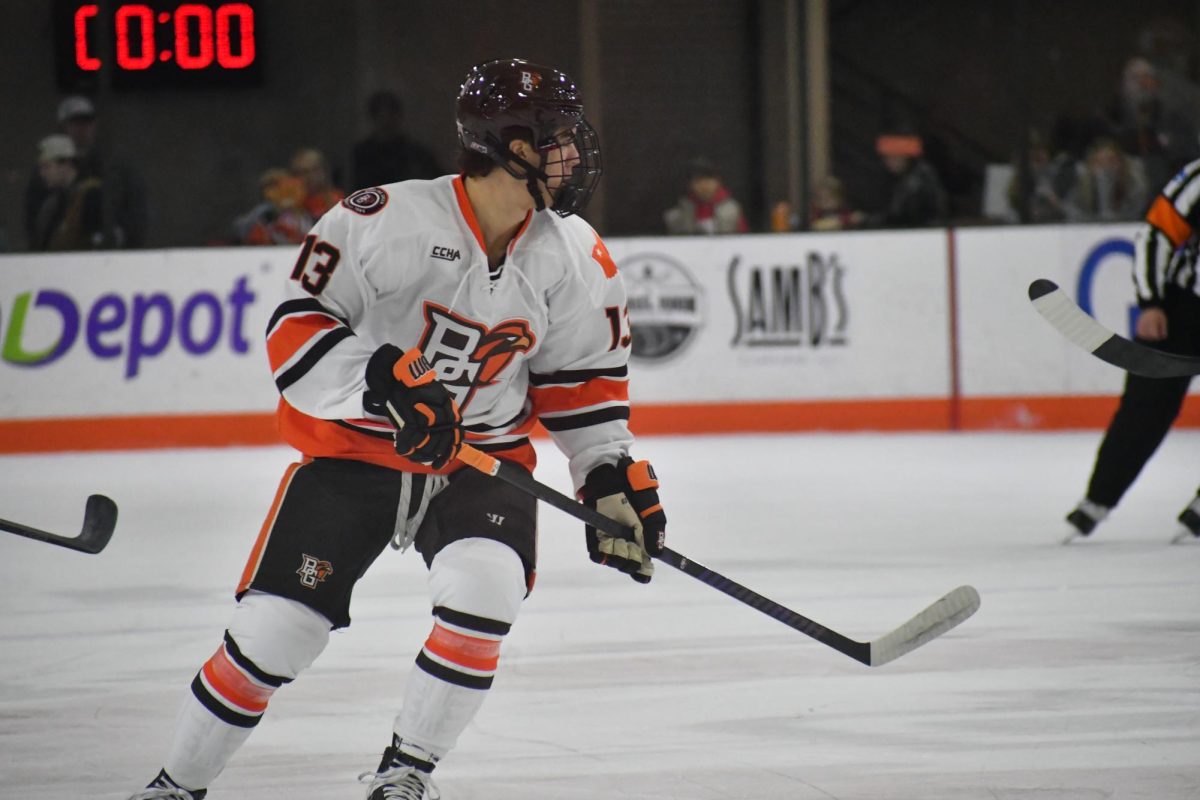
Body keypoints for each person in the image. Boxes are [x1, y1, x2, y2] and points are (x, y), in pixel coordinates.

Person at [126, 57, 668, 800]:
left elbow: (583, 385)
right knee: (279, 631)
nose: (573, 155)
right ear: (510, 145)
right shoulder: (381, 219)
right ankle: (173, 786)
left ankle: (406, 773)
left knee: (487, 593)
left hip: (481, 458)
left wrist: (605, 473)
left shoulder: (575, 253)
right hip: (356, 451)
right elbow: (296, 332)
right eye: (557, 138)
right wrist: (382, 383)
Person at [1064, 157, 1200, 541]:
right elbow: (1157, 232)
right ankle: (1097, 500)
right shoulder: (1197, 179)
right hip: (1186, 307)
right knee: (1146, 404)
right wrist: (1152, 301)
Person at [24, 95, 149, 249]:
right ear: (62, 126)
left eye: (86, 122)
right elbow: (35, 224)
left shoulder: (111, 170)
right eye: (74, 123)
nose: (81, 129)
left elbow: (133, 216)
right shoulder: (48, 188)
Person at [351, 90, 445, 190]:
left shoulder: (416, 154)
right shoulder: (362, 154)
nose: (385, 122)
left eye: (390, 115)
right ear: (373, 118)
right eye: (381, 116)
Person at [28, 133, 105, 251]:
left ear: (66, 164)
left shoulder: (91, 195)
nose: (42, 173)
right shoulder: (55, 202)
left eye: (47, 166)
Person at [865, 133, 947, 228]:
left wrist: (874, 220)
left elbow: (906, 215)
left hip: (924, 232)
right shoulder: (899, 178)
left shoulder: (919, 178)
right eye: (886, 158)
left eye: (894, 157)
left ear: (905, 157)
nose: (888, 163)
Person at [1063, 136, 1149, 223]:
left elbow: (1137, 211)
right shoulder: (1081, 188)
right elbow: (1072, 210)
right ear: (1091, 166)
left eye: (1111, 161)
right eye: (1099, 162)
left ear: (1121, 163)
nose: (1106, 167)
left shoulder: (1134, 187)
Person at [663, 157, 749, 234]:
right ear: (690, 184)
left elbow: (745, 241)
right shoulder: (676, 215)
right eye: (698, 181)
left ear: (718, 181)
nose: (704, 186)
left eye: (709, 180)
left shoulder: (733, 210)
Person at [230, 167, 311, 245]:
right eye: (279, 186)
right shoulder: (264, 214)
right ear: (268, 192)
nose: (287, 189)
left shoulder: (302, 213)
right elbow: (245, 233)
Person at [290, 147, 345, 220]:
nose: (310, 176)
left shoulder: (337, 200)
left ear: (324, 171)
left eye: (315, 170)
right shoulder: (291, 203)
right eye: (304, 172)